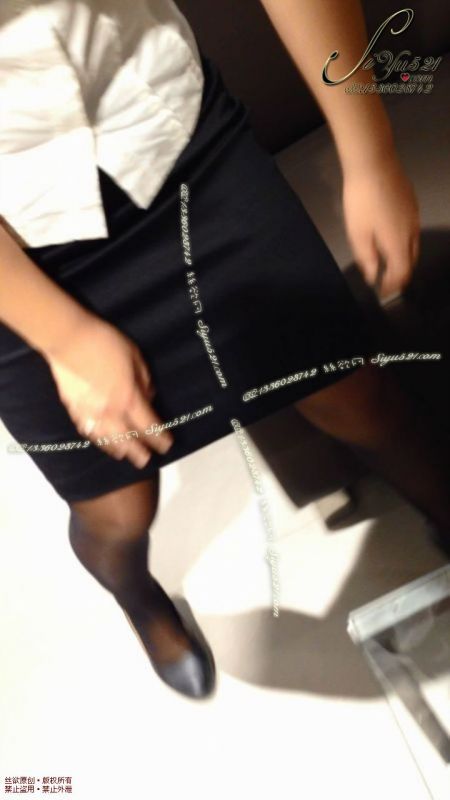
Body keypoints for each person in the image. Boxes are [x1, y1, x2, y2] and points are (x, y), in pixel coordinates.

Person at [0, 0, 449, 700]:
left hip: (165, 128)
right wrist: (62, 334)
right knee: (118, 508)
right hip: (18, 245)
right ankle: (137, 598)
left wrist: (368, 149)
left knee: (352, 390)